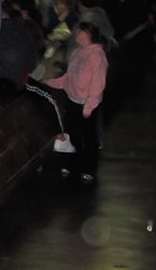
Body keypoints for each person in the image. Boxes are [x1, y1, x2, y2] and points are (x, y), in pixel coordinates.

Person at [44, 20, 108, 183]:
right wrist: (53, 82)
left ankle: (89, 168)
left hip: (86, 103)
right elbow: (70, 76)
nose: (76, 35)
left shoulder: (97, 56)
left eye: (80, 32)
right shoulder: (78, 52)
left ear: (88, 35)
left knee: (88, 137)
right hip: (73, 100)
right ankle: (74, 163)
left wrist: (89, 106)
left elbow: (98, 83)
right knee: (73, 135)